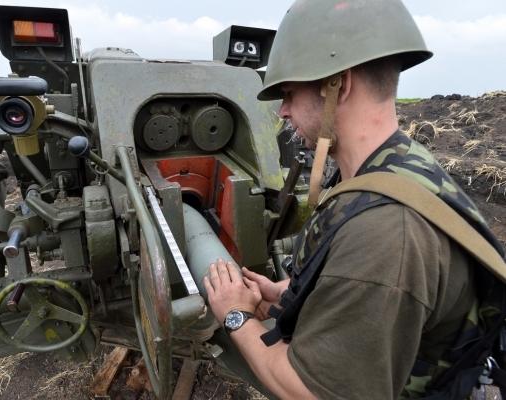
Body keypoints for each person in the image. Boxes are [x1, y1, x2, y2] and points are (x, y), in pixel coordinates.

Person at [204, 0, 506, 399]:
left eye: (290, 93)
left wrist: (235, 314)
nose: (283, 111)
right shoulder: (399, 164)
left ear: (338, 85)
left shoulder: (384, 232)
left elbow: (310, 392)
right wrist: (292, 291)